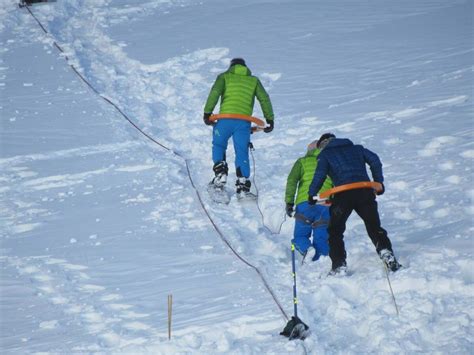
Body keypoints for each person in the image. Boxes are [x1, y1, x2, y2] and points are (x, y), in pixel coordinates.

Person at [308, 133, 401, 275]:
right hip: (364, 190)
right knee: (374, 226)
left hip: (343, 195)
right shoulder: (357, 148)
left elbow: (319, 175)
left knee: (335, 231)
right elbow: (375, 160)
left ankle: (339, 265)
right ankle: (387, 254)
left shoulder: (325, 154)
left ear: (323, 144)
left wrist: (312, 194)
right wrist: (378, 182)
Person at [203, 58, 274, 197]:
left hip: (224, 120)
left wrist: (207, 113)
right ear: (245, 67)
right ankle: (242, 184)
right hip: (243, 122)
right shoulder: (253, 81)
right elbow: (264, 98)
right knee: (242, 151)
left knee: (219, 145)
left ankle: (220, 173)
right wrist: (269, 119)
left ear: (231, 66)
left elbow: (215, 93)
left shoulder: (224, 77)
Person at [285, 139, 333, 263]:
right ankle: (320, 262)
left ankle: (307, 249)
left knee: (300, 236)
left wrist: (289, 202)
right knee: (322, 238)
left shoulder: (302, 161)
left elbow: (292, 181)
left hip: (305, 203)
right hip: (325, 204)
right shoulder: (331, 162)